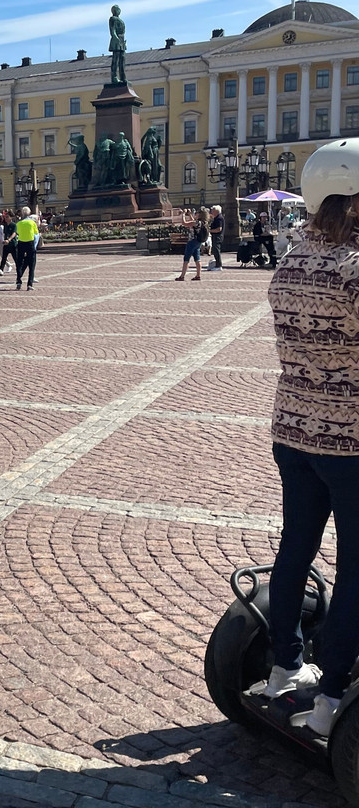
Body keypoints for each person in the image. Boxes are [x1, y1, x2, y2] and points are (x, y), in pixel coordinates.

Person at [263, 139, 359, 736]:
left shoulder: (292, 261)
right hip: (350, 439)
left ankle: (282, 667)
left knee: (296, 545)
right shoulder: (354, 270)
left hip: (293, 428)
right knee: (355, 567)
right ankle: (328, 699)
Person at [176, 208, 208, 281]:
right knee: (197, 258)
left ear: (200, 214)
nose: (195, 214)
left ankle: (182, 276)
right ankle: (198, 275)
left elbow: (184, 223)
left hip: (192, 241)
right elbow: (193, 221)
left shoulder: (196, 222)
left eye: (197, 213)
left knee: (186, 258)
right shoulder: (204, 222)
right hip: (198, 242)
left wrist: (183, 214)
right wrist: (190, 214)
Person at [13, 207, 39, 291]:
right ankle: (29, 284)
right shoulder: (32, 223)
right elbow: (36, 233)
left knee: (19, 262)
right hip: (30, 243)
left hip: (21, 243)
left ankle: (19, 280)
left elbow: (18, 233)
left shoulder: (19, 223)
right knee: (32, 263)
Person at [108, 5, 126, 84]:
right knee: (116, 59)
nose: (119, 11)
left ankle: (123, 77)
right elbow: (113, 30)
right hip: (117, 40)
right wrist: (116, 38)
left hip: (122, 40)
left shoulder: (120, 20)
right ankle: (114, 77)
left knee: (122, 59)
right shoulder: (112, 19)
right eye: (118, 9)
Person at [208, 205, 224, 270]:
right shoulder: (216, 217)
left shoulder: (219, 218)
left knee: (217, 250)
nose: (211, 211)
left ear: (216, 211)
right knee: (215, 250)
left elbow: (219, 229)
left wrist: (209, 230)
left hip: (218, 236)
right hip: (216, 236)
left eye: (213, 210)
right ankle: (217, 264)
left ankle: (218, 265)